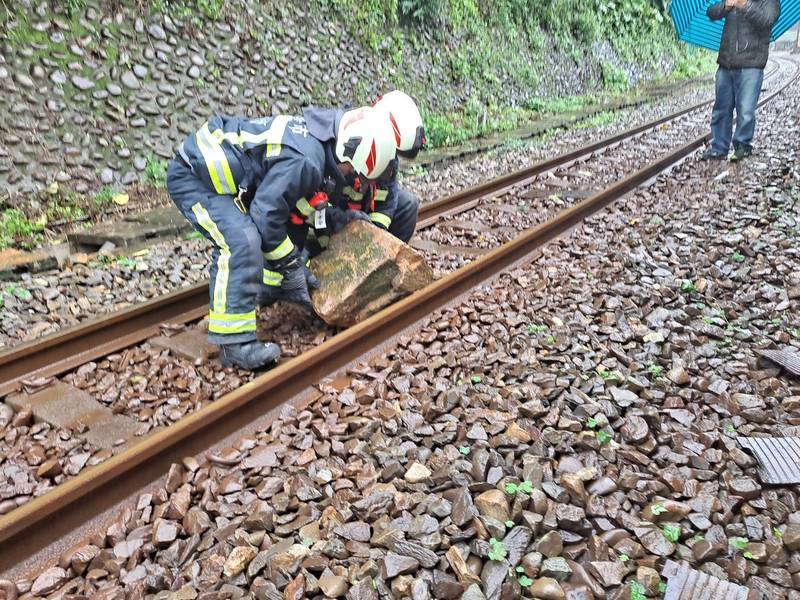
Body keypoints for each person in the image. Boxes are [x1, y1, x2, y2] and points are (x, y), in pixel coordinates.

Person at [166, 107, 397, 370]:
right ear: (348, 154)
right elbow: (264, 215)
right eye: (356, 174)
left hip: (233, 181)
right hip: (195, 177)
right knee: (242, 241)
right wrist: (291, 266)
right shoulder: (307, 160)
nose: (355, 182)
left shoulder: (323, 146)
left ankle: (266, 290)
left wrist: (338, 222)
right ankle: (234, 344)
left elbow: (298, 208)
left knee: (283, 229)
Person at [299, 90, 426, 256]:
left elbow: (386, 201)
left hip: (357, 215)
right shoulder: (344, 145)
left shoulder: (386, 158)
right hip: (323, 220)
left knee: (408, 204)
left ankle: (385, 263)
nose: (389, 158)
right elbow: (309, 205)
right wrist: (342, 219)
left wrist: (373, 236)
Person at [701, 0, 781, 161]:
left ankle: (743, 145)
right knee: (721, 109)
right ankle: (719, 147)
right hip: (726, 61)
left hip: (751, 63)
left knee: (745, 110)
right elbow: (711, 12)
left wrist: (745, 5)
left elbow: (767, 20)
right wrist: (726, 6)